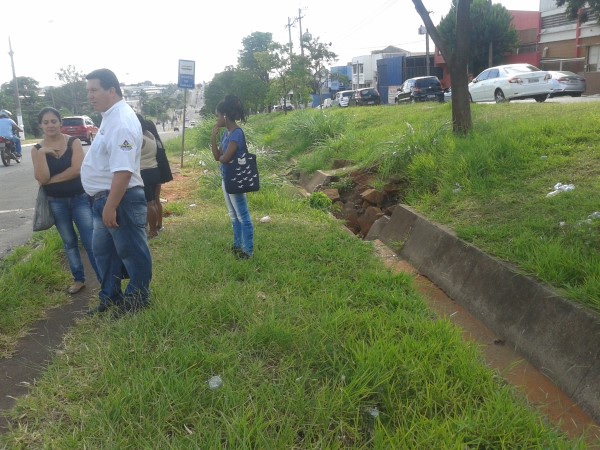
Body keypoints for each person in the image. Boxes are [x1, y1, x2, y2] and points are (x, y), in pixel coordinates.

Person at [80, 68, 152, 315]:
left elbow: (123, 171)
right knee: (104, 253)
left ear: (112, 90)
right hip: (104, 199)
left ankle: (137, 301)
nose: (90, 95)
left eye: (94, 90)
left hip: (120, 200)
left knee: (132, 252)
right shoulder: (109, 117)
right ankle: (110, 297)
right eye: (88, 91)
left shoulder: (121, 121)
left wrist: (111, 206)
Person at [31, 107, 101, 294]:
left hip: (79, 199)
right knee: (69, 242)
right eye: (46, 122)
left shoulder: (74, 142)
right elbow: (41, 177)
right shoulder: (37, 150)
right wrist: (43, 154)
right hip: (56, 203)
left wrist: (51, 181)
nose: (50, 125)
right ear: (40, 125)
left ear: (60, 123)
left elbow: (77, 169)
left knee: (90, 240)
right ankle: (79, 279)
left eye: (53, 121)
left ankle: (104, 279)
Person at [210, 94, 254, 259]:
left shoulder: (236, 133)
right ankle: (237, 246)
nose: (217, 119)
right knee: (233, 214)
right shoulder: (226, 134)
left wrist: (223, 158)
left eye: (218, 116)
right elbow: (217, 157)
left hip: (235, 178)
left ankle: (248, 251)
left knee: (242, 215)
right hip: (226, 177)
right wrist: (213, 137)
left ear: (225, 116)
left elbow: (226, 158)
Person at [146, 119, 173, 231]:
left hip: (150, 173)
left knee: (151, 201)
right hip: (158, 174)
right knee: (156, 200)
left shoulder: (148, 141)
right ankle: (159, 225)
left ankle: (155, 226)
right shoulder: (157, 141)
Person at [136, 114, 160, 239]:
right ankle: (155, 228)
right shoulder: (149, 134)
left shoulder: (140, 138)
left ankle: (153, 230)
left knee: (149, 204)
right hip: (154, 170)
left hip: (144, 172)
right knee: (154, 202)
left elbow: (125, 148)